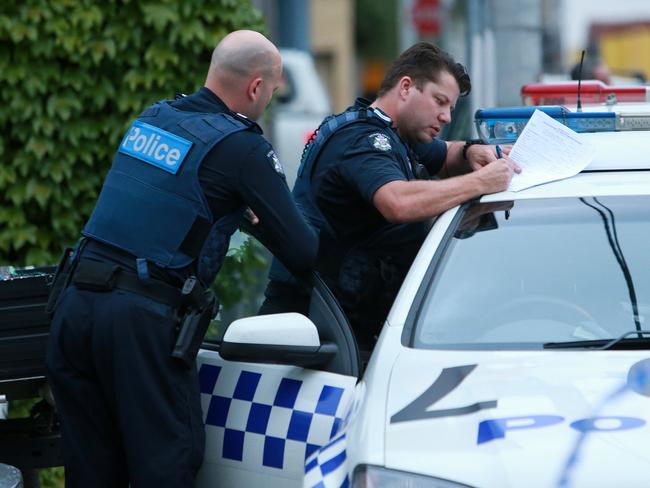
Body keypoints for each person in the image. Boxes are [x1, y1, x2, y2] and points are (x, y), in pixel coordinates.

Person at [45, 30, 317, 488]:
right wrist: (251, 215)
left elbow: (163, 205)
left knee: (91, 473)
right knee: (167, 465)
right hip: (139, 324)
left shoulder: (156, 117)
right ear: (255, 87)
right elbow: (304, 251)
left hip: (74, 309)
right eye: (270, 93)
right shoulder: (243, 146)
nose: (267, 102)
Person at [260, 42, 519, 349]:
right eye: (440, 102)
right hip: (318, 337)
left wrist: (471, 150)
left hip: (351, 326)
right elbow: (398, 202)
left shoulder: (398, 134)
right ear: (406, 87)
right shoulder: (364, 142)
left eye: (450, 107)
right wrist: (481, 182)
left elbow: (445, 154)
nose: (447, 116)